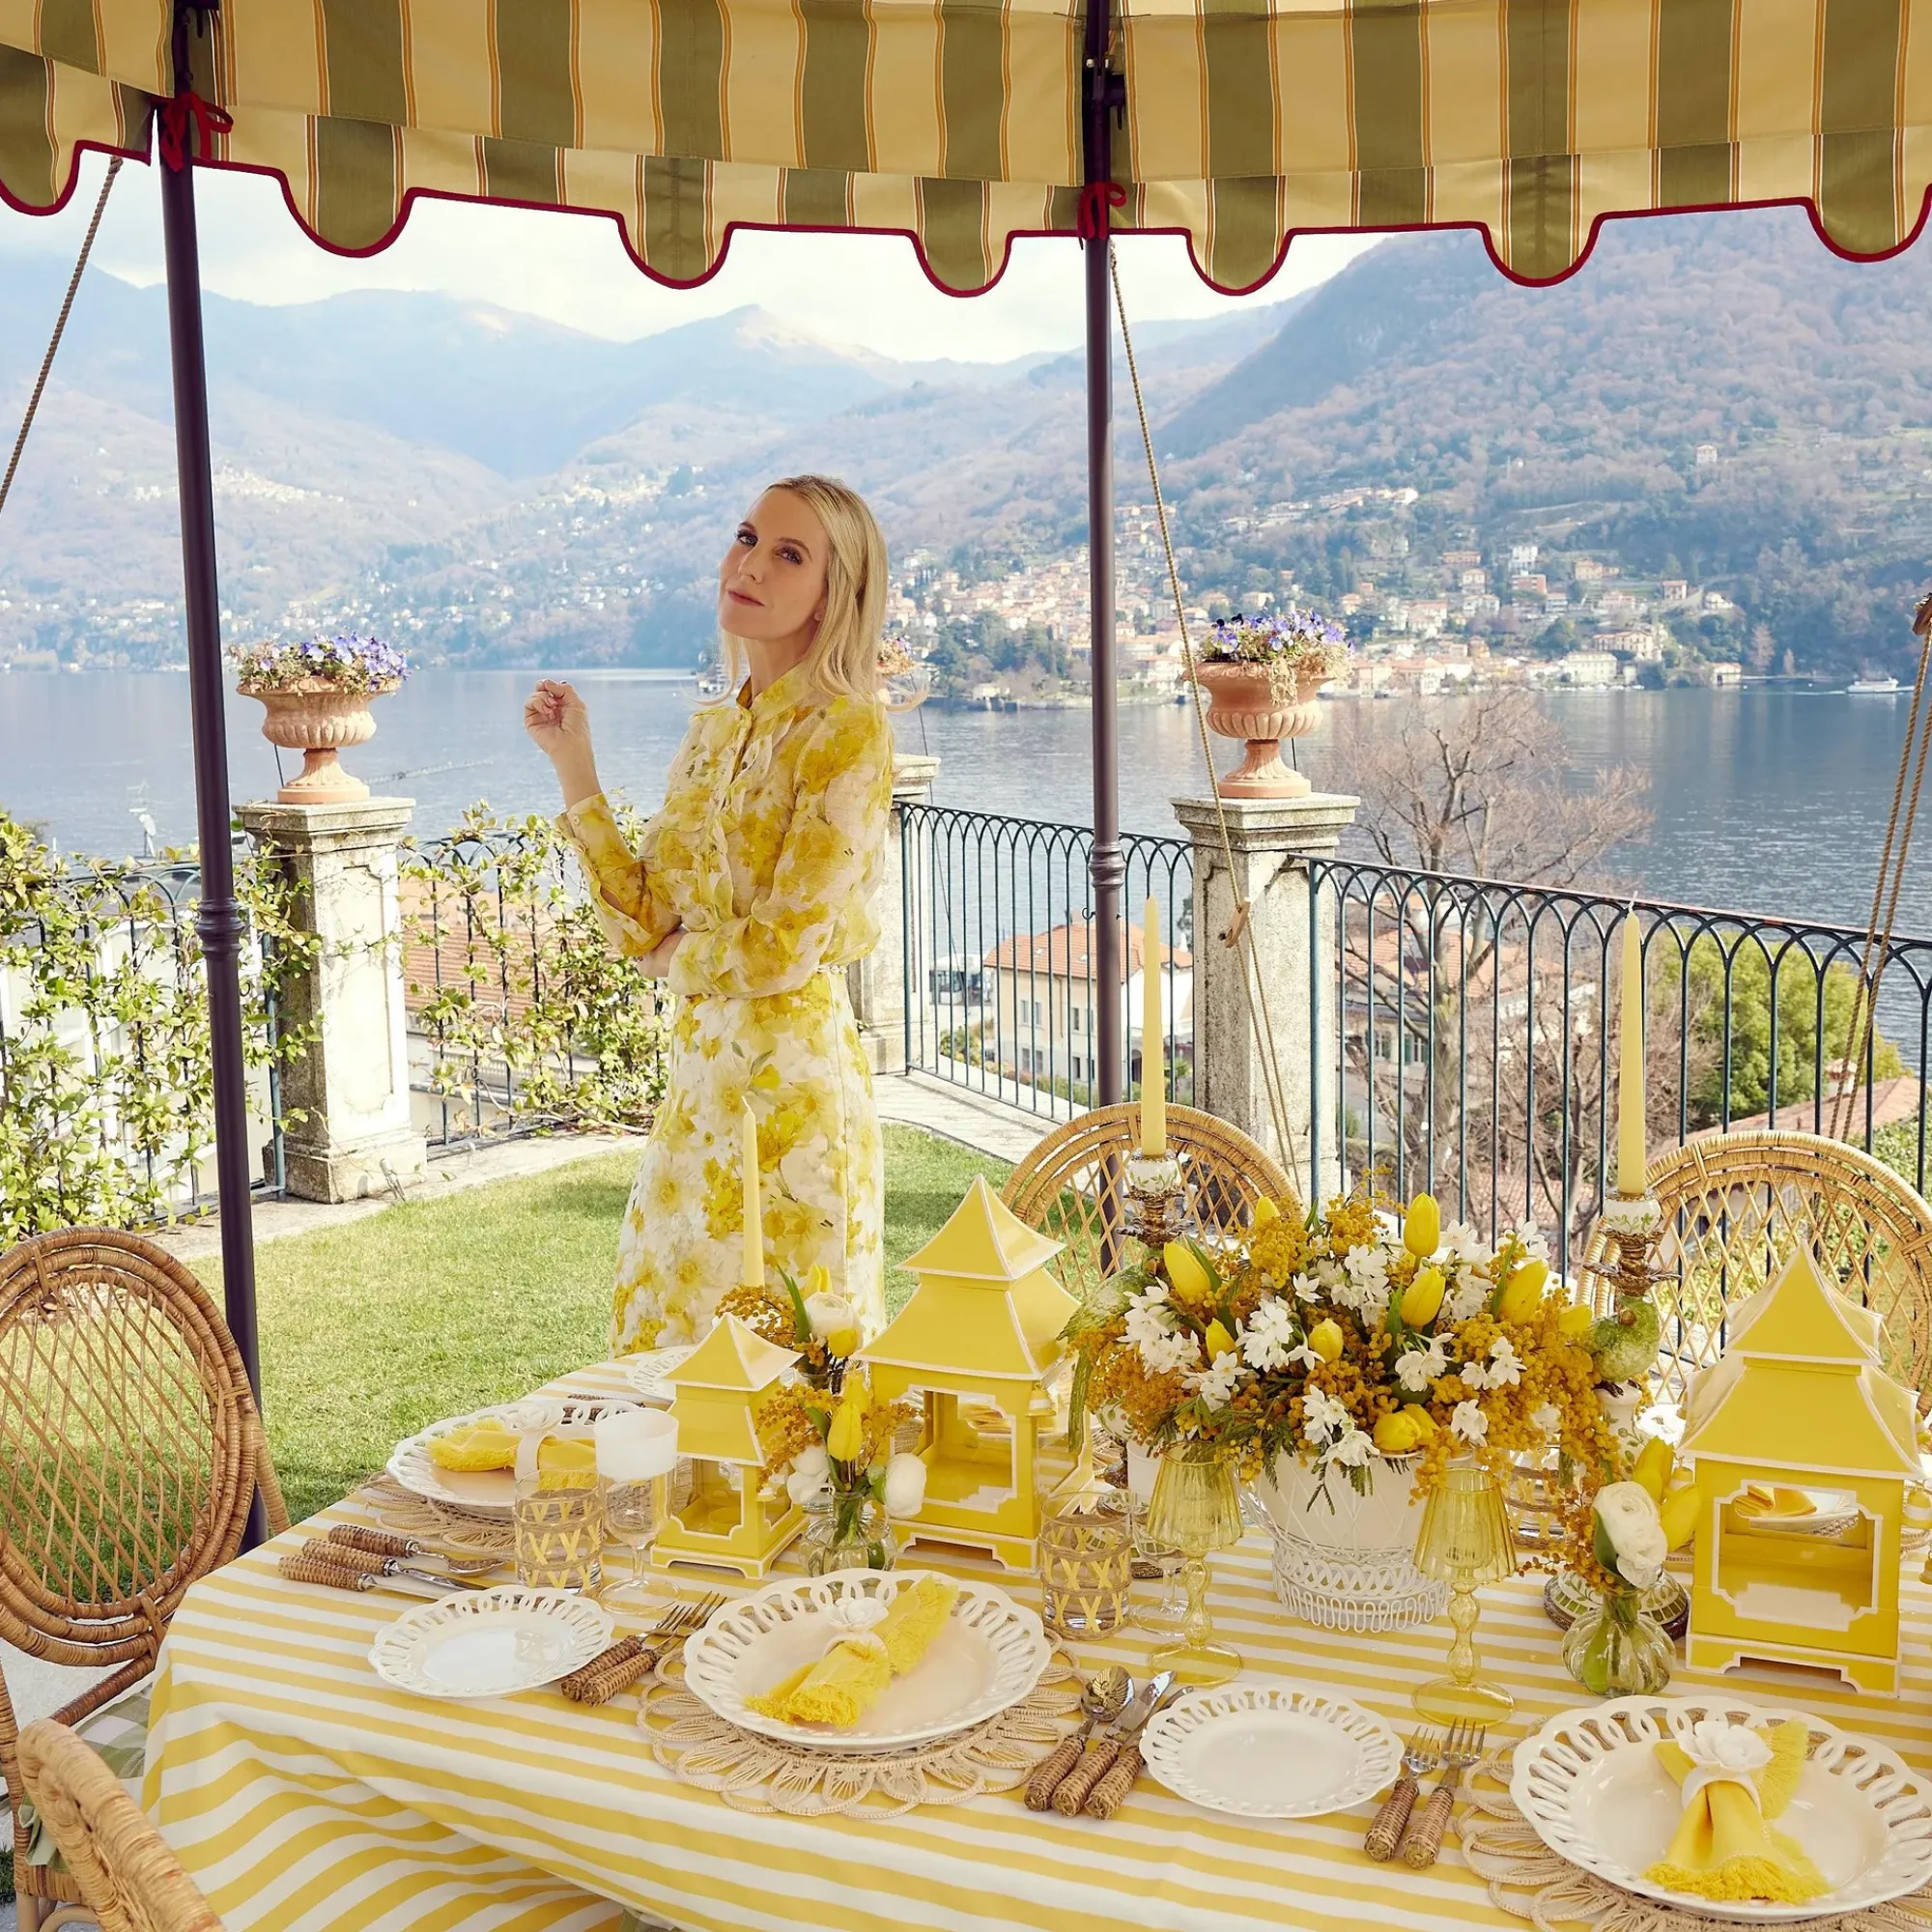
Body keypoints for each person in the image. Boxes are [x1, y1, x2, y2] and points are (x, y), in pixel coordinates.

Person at [525, 474, 895, 1352]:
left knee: (790, 1367)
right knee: (666, 1342)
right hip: (697, 1088)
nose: (751, 564)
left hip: (793, 1094)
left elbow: (783, 950)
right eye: (748, 537)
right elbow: (643, 921)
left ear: (832, 594)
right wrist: (574, 765)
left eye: (789, 554)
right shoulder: (714, 730)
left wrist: (676, 962)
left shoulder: (846, 733)